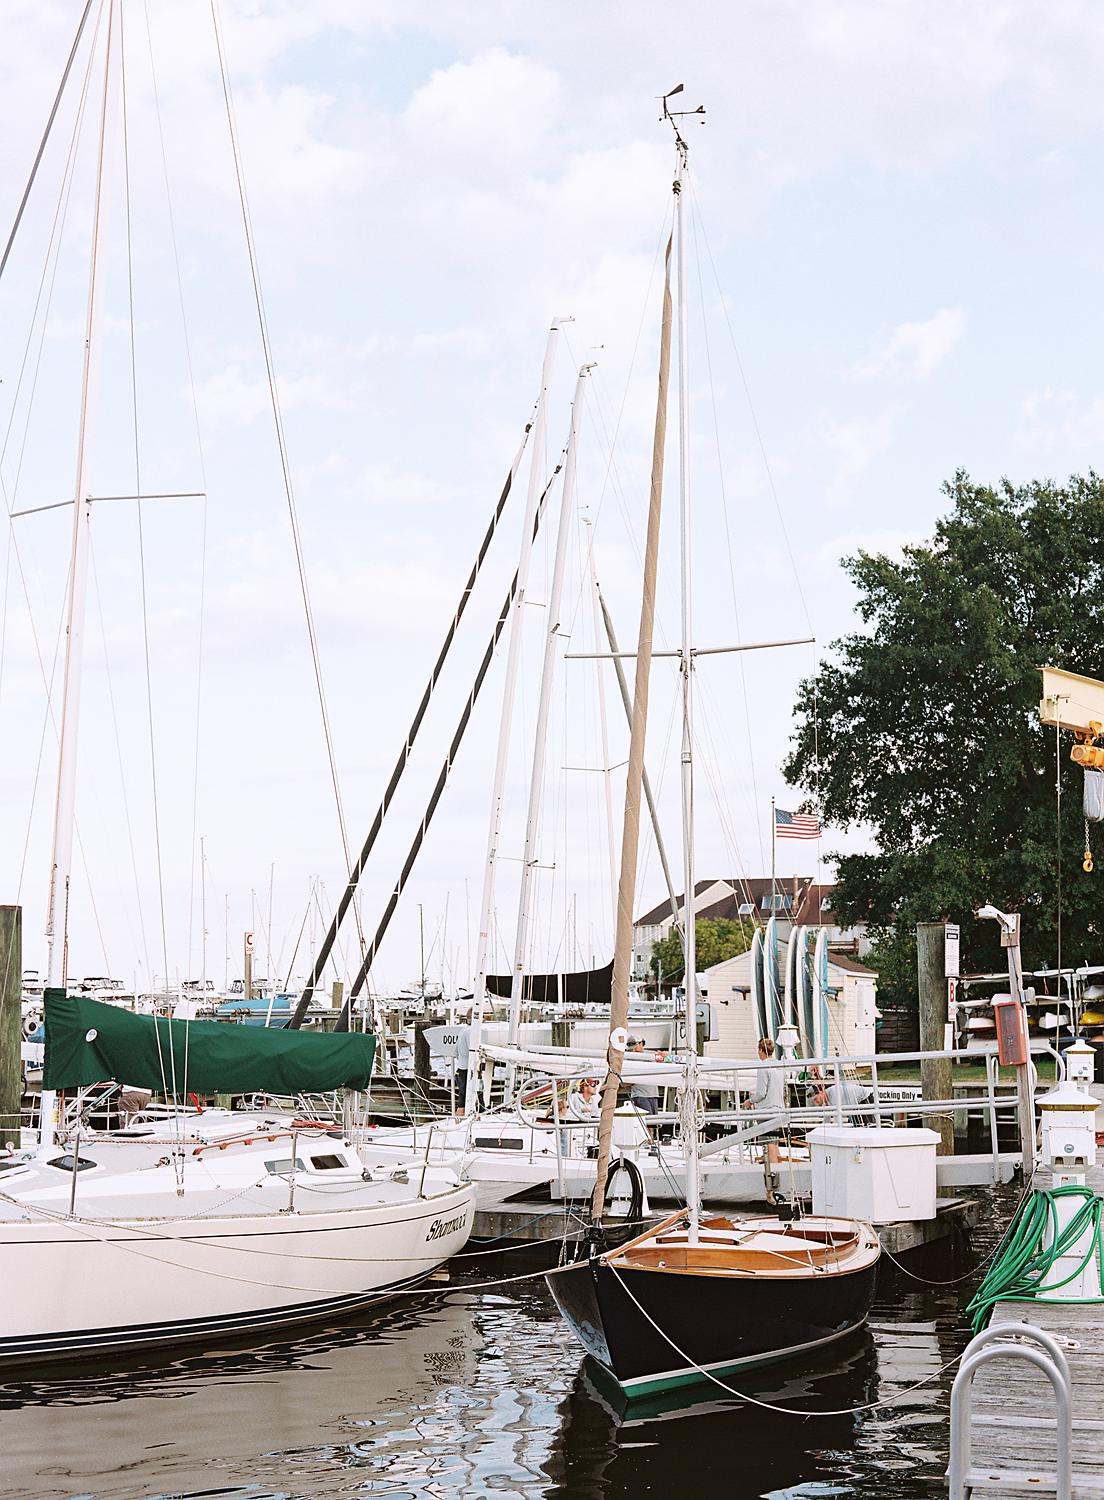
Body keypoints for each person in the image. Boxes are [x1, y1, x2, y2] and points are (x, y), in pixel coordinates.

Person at [742, 1037, 785, 1166]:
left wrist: (749, 1101)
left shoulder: (763, 1066)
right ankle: (778, 1167)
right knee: (774, 1140)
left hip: (767, 1110)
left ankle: (773, 1170)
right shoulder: (778, 1066)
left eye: (758, 1050)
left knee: (768, 1142)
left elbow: (761, 1093)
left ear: (761, 1050)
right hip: (778, 1109)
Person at [627, 1037, 661, 1116]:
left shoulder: (652, 1055)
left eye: (635, 1046)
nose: (633, 1050)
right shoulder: (629, 1057)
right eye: (631, 1047)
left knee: (653, 1122)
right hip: (639, 1095)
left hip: (653, 1094)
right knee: (646, 1121)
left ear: (641, 1043)